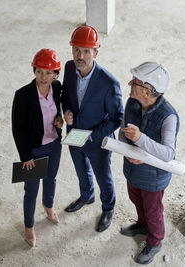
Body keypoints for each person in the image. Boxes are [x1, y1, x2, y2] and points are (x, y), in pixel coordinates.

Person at [61, 25, 124, 232]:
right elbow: (65, 96)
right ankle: (87, 196)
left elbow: (117, 118)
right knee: (81, 170)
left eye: (86, 51)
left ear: (96, 52)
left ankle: (108, 208)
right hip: (74, 134)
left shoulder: (109, 83)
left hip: (97, 141)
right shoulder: (70, 68)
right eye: (76, 50)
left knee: (103, 176)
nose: (80, 56)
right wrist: (67, 111)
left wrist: (92, 137)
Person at [118, 62, 179, 264]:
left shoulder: (169, 117)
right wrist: (126, 150)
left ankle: (155, 240)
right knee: (136, 200)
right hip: (133, 170)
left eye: (134, 82)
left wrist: (140, 139)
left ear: (147, 91)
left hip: (153, 177)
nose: (129, 83)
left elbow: (168, 154)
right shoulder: (132, 103)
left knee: (153, 211)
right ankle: (142, 225)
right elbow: (122, 130)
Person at [11, 49, 64, 247]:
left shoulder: (57, 88)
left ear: (55, 74)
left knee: (51, 179)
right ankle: (29, 226)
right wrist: (26, 157)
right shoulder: (23, 95)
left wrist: (60, 121)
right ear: (34, 70)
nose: (44, 77)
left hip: (54, 145)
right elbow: (18, 129)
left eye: (49, 73)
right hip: (33, 151)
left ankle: (48, 206)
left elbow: (59, 111)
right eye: (40, 71)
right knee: (31, 190)